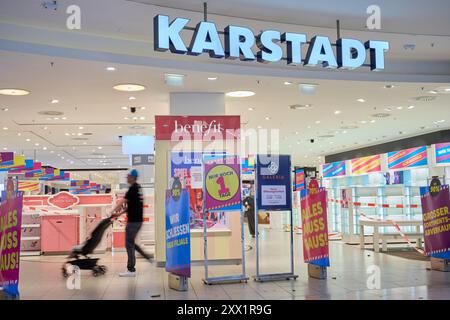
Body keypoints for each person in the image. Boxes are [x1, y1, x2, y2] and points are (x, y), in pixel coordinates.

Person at [111, 169, 151, 277]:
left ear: (132, 177)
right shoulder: (138, 188)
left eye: (128, 176)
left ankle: (131, 269)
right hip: (137, 220)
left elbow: (123, 202)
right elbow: (132, 205)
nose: (126, 178)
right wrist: (118, 214)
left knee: (129, 244)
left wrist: (112, 211)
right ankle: (144, 258)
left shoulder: (132, 188)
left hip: (133, 222)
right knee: (131, 243)